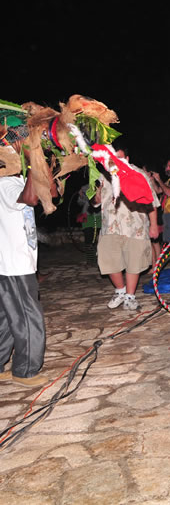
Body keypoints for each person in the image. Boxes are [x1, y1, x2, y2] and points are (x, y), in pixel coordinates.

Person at [0, 148, 49, 387]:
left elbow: (50, 195)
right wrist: (33, 163)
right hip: (14, 265)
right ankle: (25, 370)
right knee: (28, 317)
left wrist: (42, 167)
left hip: (13, 262)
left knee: (8, 319)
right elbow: (30, 199)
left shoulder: (15, 180)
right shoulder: (5, 183)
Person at [93, 146, 161, 311]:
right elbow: (97, 201)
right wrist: (98, 191)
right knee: (108, 261)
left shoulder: (140, 175)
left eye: (120, 158)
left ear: (127, 159)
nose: (115, 161)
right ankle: (120, 291)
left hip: (135, 226)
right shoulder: (104, 175)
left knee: (134, 263)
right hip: (110, 226)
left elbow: (152, 202)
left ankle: (130, 297)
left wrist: (153, 225)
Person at [150, 160, 170, 269]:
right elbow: (158, 190)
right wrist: (153, 181)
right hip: (168, 213)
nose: (167, 168)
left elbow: (169, 192)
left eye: (169, 166)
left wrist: (159, 180)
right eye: (167, 166)